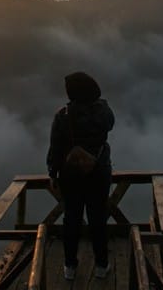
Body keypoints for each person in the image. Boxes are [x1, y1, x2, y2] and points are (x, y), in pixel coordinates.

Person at [47, 71, 115, 281]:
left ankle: (69, 266)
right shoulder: (103, 111)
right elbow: (110, 126)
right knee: (98, 219)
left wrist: (53, 173)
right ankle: (101, 266)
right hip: (99, 173)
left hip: (71, 175)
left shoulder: (63, 115)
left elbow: (56, 148)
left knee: (72, 219)